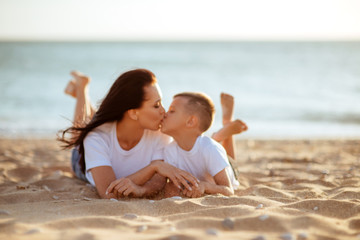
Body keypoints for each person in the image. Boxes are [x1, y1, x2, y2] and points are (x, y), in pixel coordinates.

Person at [58, 69, 199, 199]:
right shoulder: (97, 137)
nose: (164, 111)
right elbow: (109, 192)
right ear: (133, 112)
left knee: (101, 118)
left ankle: (80, 92)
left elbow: (157, 182)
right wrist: (154, 167)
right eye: (156, 105)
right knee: (82, 131)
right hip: (81, 160)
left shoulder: (160, 134)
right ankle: (82, 87)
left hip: (120, 124)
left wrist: (141, 190)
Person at [160, 92, 248, 198]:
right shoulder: (169, 150)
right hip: (210, 153)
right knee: (210, 147)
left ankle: (226, 124)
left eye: (172, 111)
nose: (164, 113)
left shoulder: (210, 149)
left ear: (191, 121)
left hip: (224, 168)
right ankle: (218, 136)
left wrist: (205, 186)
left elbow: (228, 190)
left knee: (230, 161)